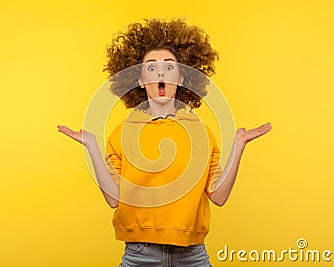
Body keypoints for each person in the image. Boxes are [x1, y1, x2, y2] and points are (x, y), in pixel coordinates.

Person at [57, 19, 272, 267]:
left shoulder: (201, 134)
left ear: (181, 78)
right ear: (139, 81)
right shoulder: (121, 134)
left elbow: (219, 196)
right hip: (139, 255)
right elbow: (114, 200)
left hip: (192, 256)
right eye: (151, 67)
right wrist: (92, 148)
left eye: (169, 67)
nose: (160, 72)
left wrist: (238, 145)